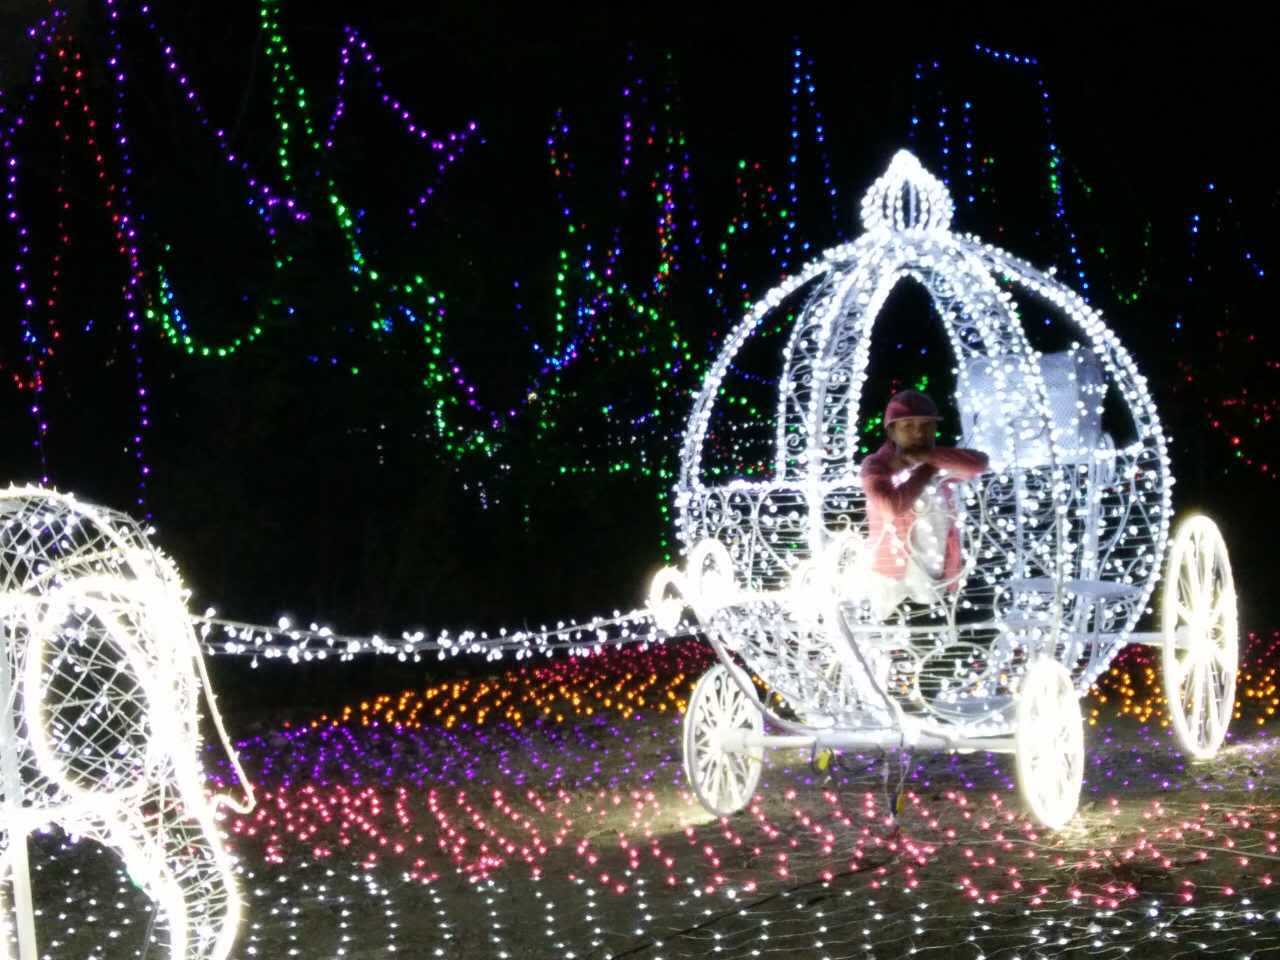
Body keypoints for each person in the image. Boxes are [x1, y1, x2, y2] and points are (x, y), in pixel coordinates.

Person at [858, 389, 989, 618]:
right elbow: (891, 507)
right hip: (892, 578)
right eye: (908, 425)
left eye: (927, 425)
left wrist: (928, 458)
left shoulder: (939, 458)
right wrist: (927, 470)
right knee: (894, 632)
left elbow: (979, 464)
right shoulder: (877, 465)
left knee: (940, 628)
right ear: (891, 431)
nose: (919, 432)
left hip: (935, 571)